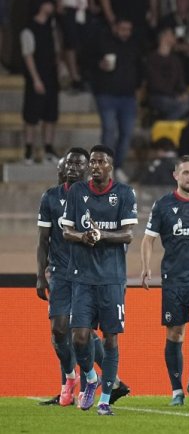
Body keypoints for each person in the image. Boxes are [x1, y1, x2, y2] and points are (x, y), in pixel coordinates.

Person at [61, 145, 138, 415]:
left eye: (100, 162)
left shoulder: (124, 193)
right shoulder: (77, 192)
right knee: (79, 337)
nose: (95, 166)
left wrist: (101, 235)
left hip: (111, 278)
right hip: (82, 277)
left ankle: (104, 400)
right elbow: (67, 231)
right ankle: (91, 378)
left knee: (111, 339)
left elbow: (128, 234)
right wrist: (84, 236)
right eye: (92, 161)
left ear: (110, 166)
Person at [140, 156, 189, 407]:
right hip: (174, 280)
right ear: (176, 175)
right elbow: (148, 239)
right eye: (186, 172)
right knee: (175, 334)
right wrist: (146, 267)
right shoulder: (163, 205)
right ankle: (176, 391)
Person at [36, 148, 87, 406]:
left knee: (83, 333)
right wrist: (40, 275)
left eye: (78, 164)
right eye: (69, 164)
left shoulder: (94, 197)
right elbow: (43, 240)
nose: (71, 168)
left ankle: (88, 387)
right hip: (59, 272)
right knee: (59, 329)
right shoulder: (51, 198)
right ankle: (70, 378)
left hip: (87, 273)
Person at [91, 18, 142, 182]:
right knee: (109, 131)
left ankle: (117, 166)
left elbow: (140, 69)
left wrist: (138, 90)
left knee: (126, 134)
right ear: (115, 28)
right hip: (106, 94)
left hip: (128, 97)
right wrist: (99, 64)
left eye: (128, 29)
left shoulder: (134, 45)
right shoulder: (102, 42)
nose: (125, 32)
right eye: (122, 28)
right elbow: (87, 61)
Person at [21, 0, 59, 164]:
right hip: (36, 76)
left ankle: (48, 149)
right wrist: (36, 79)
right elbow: (28, 54)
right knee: (31, 115)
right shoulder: (29, 28)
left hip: (51, 75)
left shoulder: (52, 27)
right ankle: (29, 150)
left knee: (51, 114)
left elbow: (56, 50)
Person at [146, 28, 188, 120]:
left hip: (174, 95)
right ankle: (164, 124)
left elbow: (180, 80)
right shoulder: (152, 58)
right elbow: (155, 84)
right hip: (159, 96)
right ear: (163, 37)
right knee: (183, 107)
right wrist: (175, 96)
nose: (174, 38)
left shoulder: (175, 59)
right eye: (171, 35)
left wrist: (183, 93)